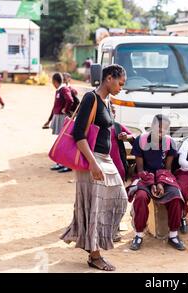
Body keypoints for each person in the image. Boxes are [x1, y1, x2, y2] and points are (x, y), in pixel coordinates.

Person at [60, 64, 128, 271]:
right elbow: (79, 135)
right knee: (95, 207)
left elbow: (101, 130)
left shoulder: (106, 101)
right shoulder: (91, 98)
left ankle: (95, 243)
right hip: (93, 159)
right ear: (108, 78)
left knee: (120, 198)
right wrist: (93, 163)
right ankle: (95, 255)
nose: (120, 88)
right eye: (120, 83)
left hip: (103, 158)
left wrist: (117, 133)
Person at [128, 114, 186, 251]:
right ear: (152, 126)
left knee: (176, 197)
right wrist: (151, 184)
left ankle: (173, 235)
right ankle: (139, 234)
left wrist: (160, 183)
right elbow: (141, 169)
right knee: (141, 197)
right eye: (159, 128)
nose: (162, 131)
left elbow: (167, 169)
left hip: (164, 177)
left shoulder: (169, 142)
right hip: (144, 177)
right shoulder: (141, 140)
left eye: (166, 129)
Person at [43, 73, 74, 173]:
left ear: (54, 82)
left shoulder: (64, 89)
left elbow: (70, 100)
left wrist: (65, 109)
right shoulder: (59, 90)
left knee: (64, 141)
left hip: (62, 117)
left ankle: (67, 164)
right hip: (57, 117)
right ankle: (61, 162)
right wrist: (49, 119)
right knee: (60, 141)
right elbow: (54, 107)